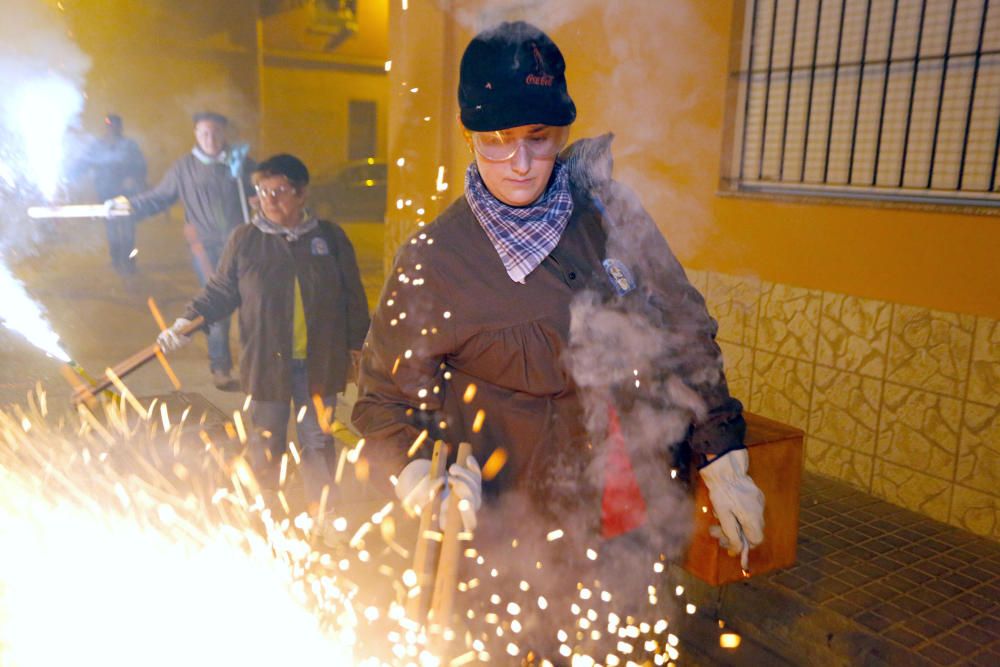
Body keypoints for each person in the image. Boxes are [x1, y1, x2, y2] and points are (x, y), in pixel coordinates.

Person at [351, 21, 765, 650]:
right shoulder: (434, 261)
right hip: (506, 539)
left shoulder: (610, 212)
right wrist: (420, 479)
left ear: (563, 132)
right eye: (496, 140)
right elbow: (382, 406)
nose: (519, 162)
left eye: (538, 140)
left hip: (623, 520)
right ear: (468, 136)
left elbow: (682, 328)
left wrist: (722, 454)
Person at [156, 153, 370, 521]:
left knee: (317, 442)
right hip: (267, 364)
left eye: (280, 191)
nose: (269, 200)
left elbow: (354, 297)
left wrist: (359, 348)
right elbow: (222, 290)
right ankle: (266, 512)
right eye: (262, 191)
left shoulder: (329, 238)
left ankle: (324, 516)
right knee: (266, 440)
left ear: (302, 195)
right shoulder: (246, 239)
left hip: (318, 364)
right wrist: (186, 322)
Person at [107, 111, 253, 390]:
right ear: (196, 135)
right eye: (204, 133)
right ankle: (221, 367)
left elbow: (263, 193)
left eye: (216, 133)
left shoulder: (240, 164)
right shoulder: (184, 168)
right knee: (218, 306)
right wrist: (127, 204)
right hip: (207, 249)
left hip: (244, 244)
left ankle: (253, 365)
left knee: (252, 306)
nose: (210, 139)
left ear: (225, 134)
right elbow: (159, 198)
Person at [68, 113, 147, 275]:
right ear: (106, 127)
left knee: (127, 228)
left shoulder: (129, 145)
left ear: (120, 127)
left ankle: (130, 261)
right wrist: (68, 176)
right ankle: (116, 259)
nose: (112, 129)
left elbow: (141, 165)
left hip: (127, 193)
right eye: (109, 126)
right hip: (105, 192)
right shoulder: (97, 146)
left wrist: (134, 179)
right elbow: (84, 162)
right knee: (111, 227)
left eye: (115, 125)